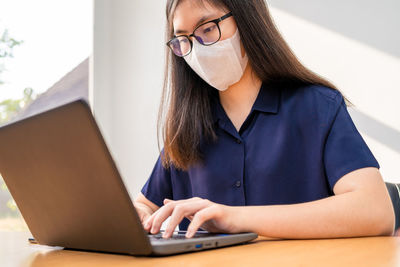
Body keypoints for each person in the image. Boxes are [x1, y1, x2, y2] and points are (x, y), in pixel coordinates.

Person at [134, 0, 395, 239]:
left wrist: (233, 218)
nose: (196, 50)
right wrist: (139, 216)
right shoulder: (187, 128)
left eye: (208, 29)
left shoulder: (317, 107)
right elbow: (146, 204)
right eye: (183, 39)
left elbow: (375, 210)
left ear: (248, 21)